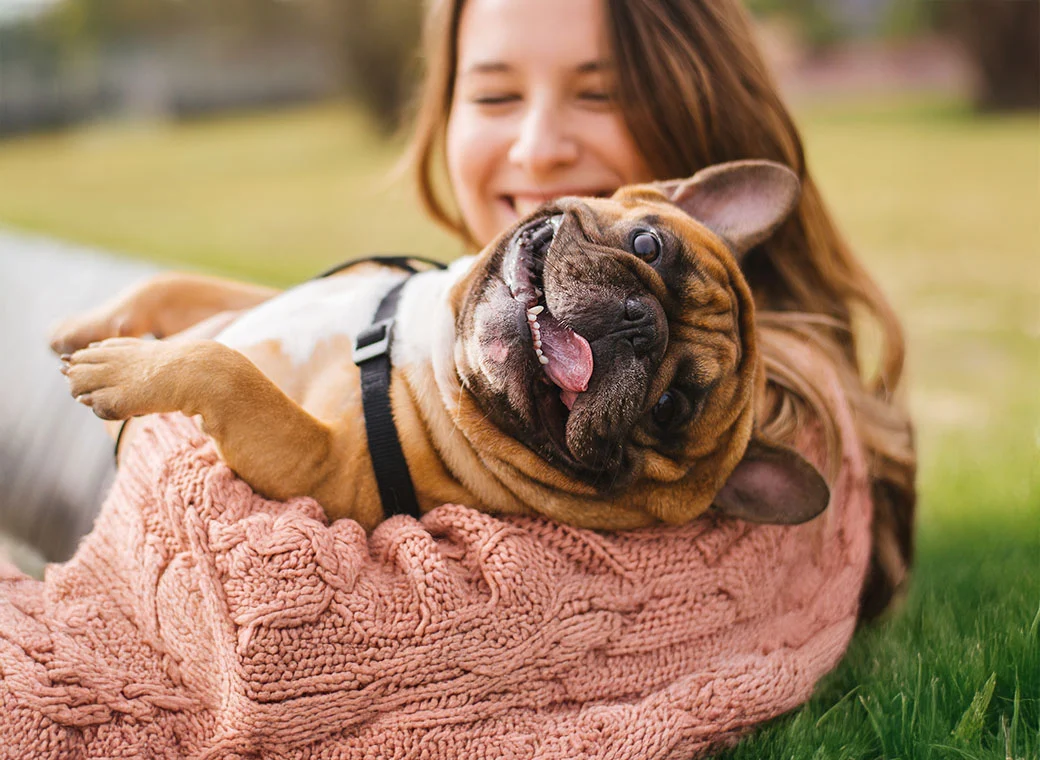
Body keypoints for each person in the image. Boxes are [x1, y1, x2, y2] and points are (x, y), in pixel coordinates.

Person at [407, 0, 916, 618]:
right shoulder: (458, 322)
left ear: (705, 114)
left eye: (599, 96)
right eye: (494, 97)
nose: (538, 151)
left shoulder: (743, 422)